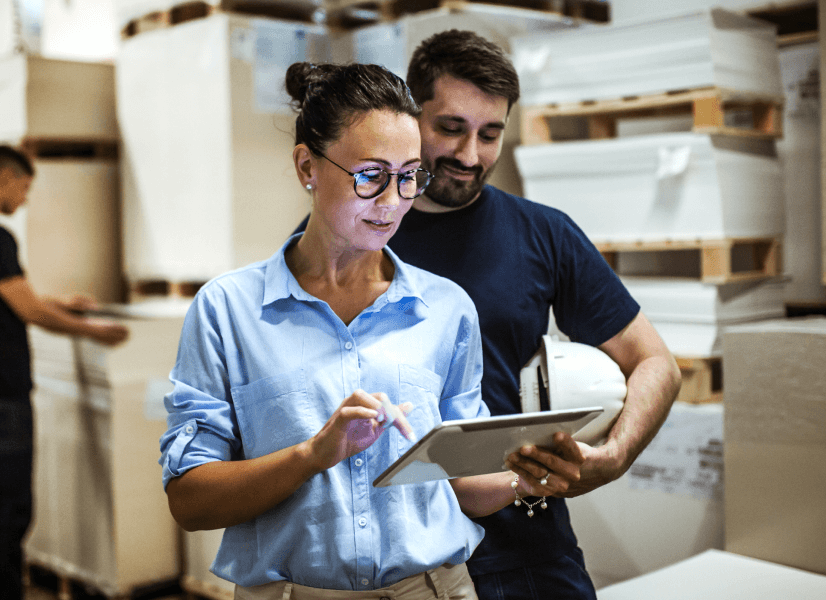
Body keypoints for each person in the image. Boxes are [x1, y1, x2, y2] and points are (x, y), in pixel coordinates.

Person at [158, 61, 582, 600]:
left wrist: (527, 473)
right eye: (371, 175)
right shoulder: (229, 311)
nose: (392, 202)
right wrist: (313, 454)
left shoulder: (446, 309)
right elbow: (190, 501)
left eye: (409, 176)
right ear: (307, 165)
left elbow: (461, 482)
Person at [296, 30, 683, 600]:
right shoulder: (352, 237)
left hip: (526, 546)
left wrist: (613, 457)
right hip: (401, 561)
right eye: (450, 129)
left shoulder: (543, 233)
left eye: (490, 134)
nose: (470, 155)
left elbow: (655, 363)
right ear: (411, 114)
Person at [0, 144, 129, 600]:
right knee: (7, 510)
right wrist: (91, 330)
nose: (23, 200)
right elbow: (26, 309)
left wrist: (59, 302)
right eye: (23, 188)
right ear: (3, 179)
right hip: (3, 393)